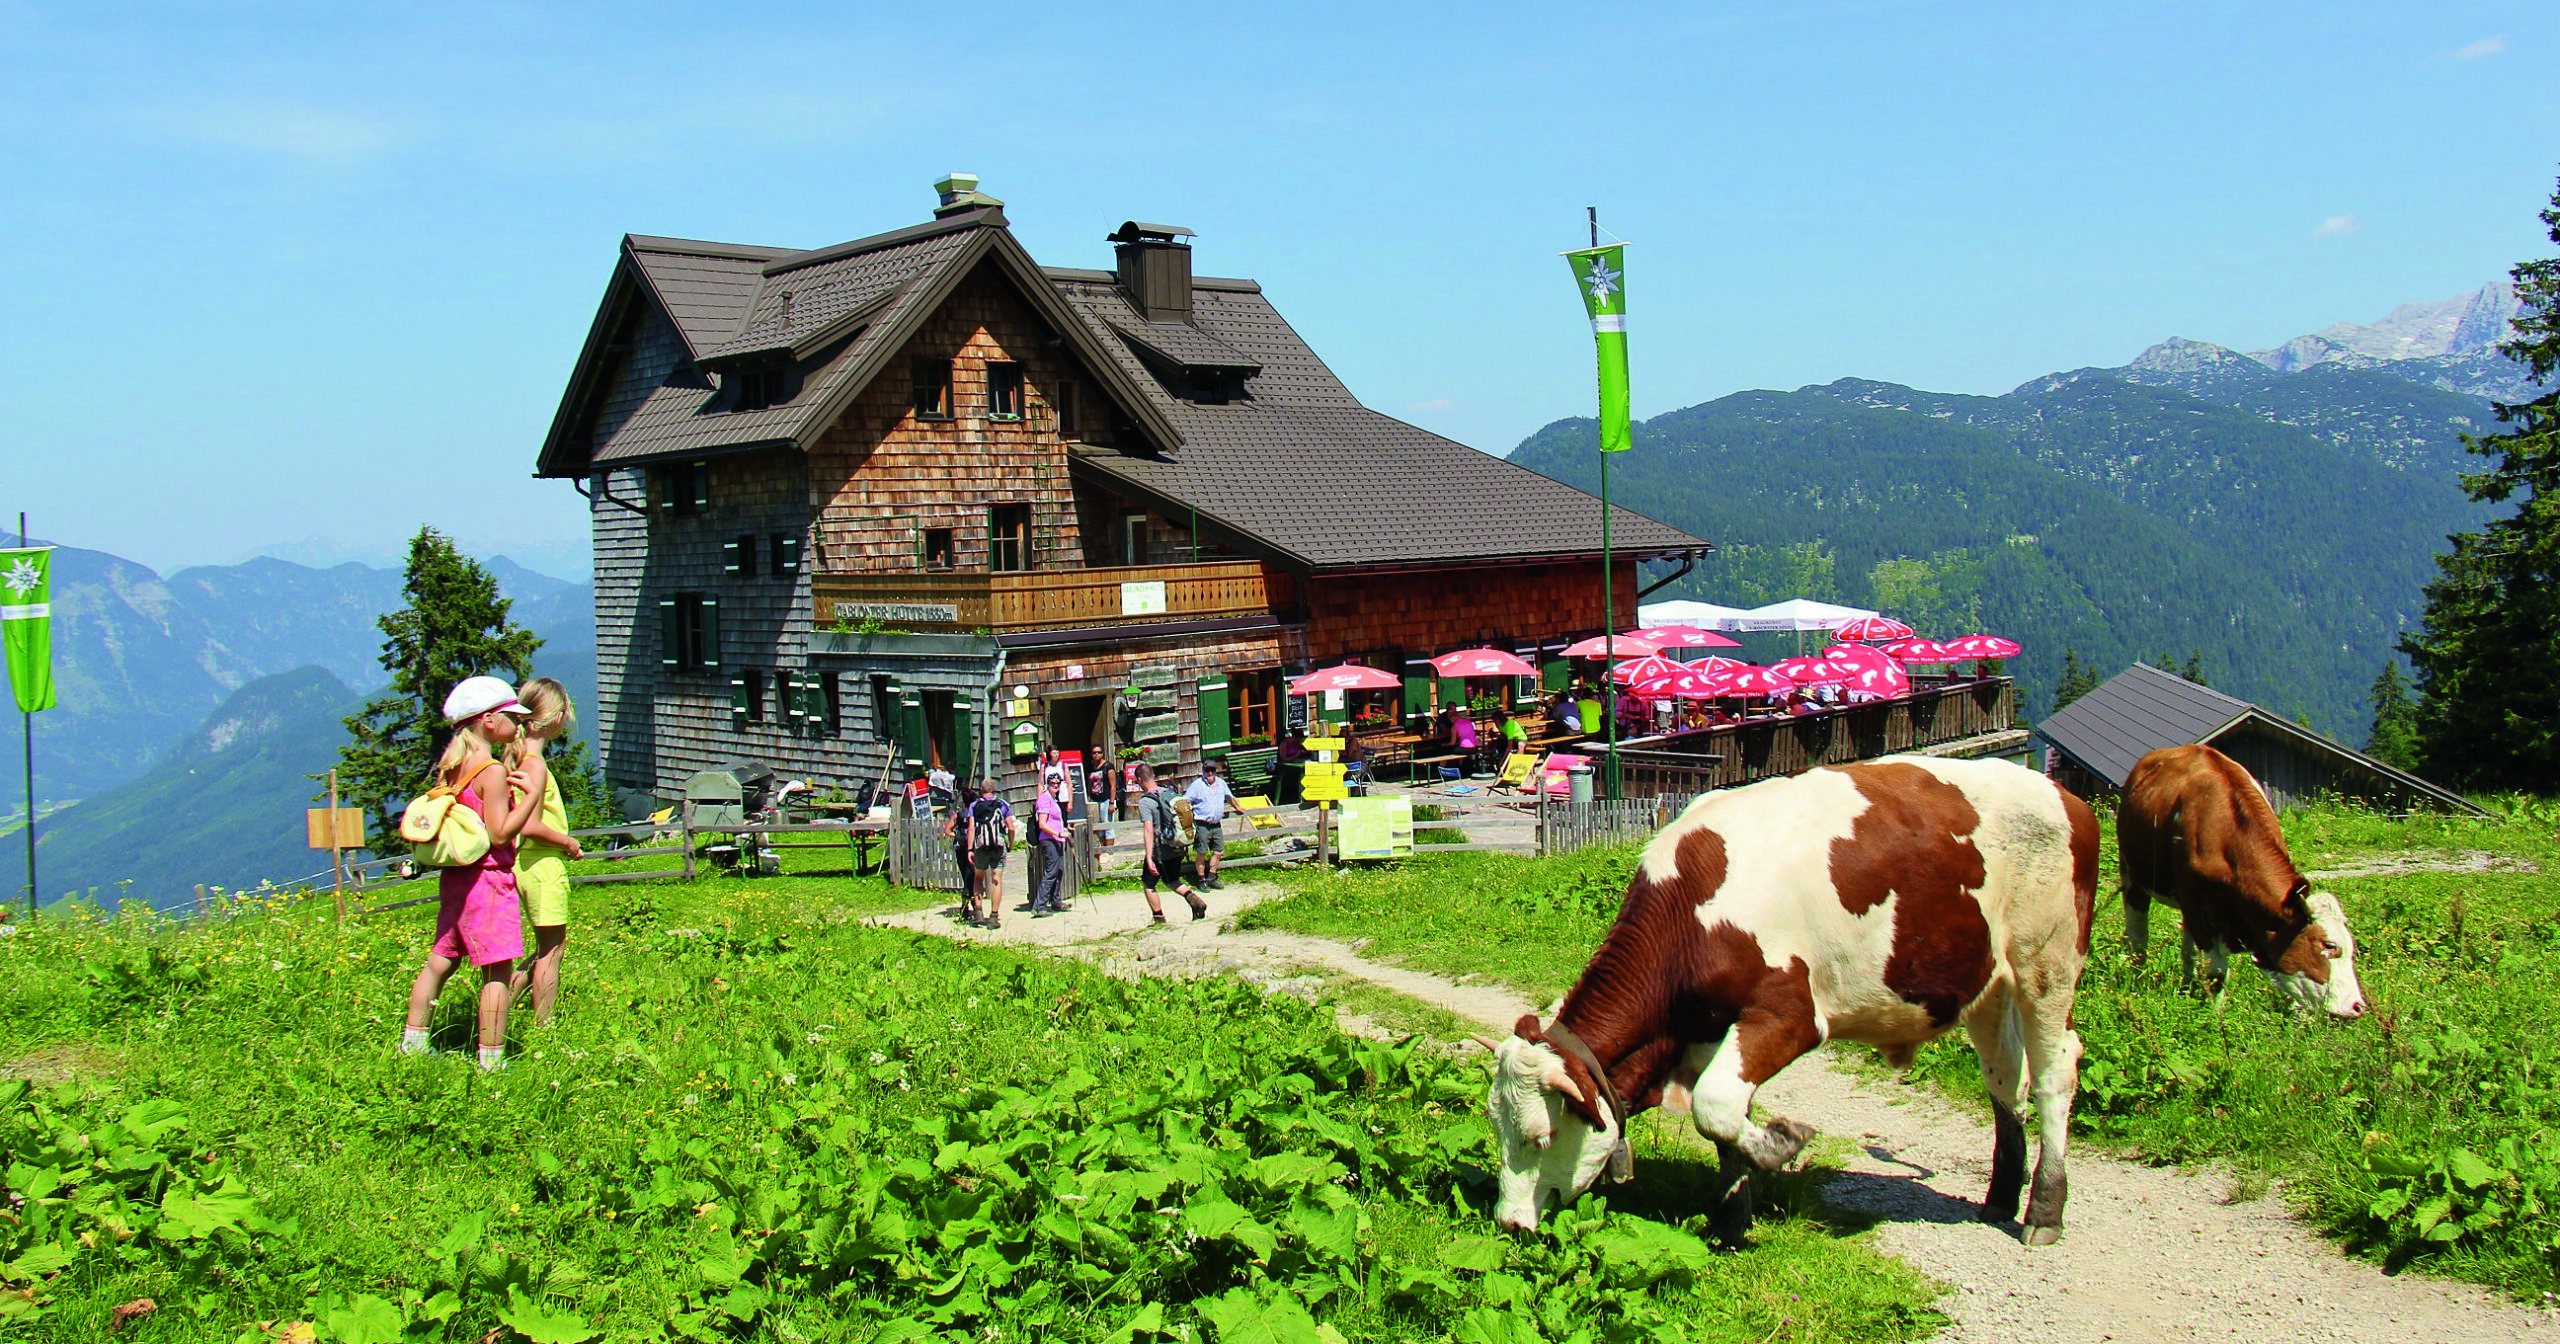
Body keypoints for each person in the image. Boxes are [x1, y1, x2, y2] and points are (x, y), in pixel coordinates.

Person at [401, 676, 540, 1070]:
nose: (518, 725)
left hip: (455, 879)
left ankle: (413, 1042)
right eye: (513, 717)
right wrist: (528, 800)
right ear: (491, 721)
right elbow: (499, 833)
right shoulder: (491, 771)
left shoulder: (453, 767)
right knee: (498, 969)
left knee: (441, 961)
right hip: (489, 882)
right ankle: (492, 1059)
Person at [505, 677, 582, 1028]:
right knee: (552, 952)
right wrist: (567, 842)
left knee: (541, 950)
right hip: (542, 864)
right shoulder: (535, 764)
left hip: (525, 864)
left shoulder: (520, 758)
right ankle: (544, 1025)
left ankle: (498, 1007)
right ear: (553, 717)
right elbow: (530, 825)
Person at [1134, 763, 1209, 924]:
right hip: (1178, 846)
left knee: (1148, 884)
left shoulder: (1145, 802)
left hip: (1160, 851)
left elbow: (1148, 830)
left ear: (1139, 780)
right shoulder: (1169, 793)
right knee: (1171, 880)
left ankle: (1159, 918)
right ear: (1153, 775)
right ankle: (1195, 900)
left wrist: (1148, 857)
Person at [963, 778, 1013, 928]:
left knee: (978, 877)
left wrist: (970, 849)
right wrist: (1010, 842)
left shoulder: (974, 805)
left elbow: (971, 828)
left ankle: (978, 912)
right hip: (998, 846)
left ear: (981, 790)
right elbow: (1010, 827)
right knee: (996, 879)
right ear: (995, 790)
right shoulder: (1002, 805)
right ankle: (994, 916)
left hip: (980, 846)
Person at [1183, 761, 1239, 889]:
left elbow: (1230, 797)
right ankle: (1201, 880)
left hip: (1216, 824)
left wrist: (1238, 808)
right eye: (1207, 770)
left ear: (1215, 771)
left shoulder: (1221, 783)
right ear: (1203, 771)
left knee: (1219, 851)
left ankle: (1211, 878)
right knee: (1201, 853)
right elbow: (1186, 800)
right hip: (1202, 824)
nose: (1210, 773)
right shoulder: (1197, 785)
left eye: (1212, 770)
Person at [1032, 769, 1070, 916]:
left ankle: (1055, 901)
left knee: (1058, 870)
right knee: (1051, 871)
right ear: (1048, 784)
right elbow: (1042, 824)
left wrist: (1063, 830)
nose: (1055, 785)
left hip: (1057, 838)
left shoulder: (1054, 799)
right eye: (1052, 783)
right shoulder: (1044, 798)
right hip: (1048, 839)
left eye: (1058, 783)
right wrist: (1058, 833)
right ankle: (1039, 905)